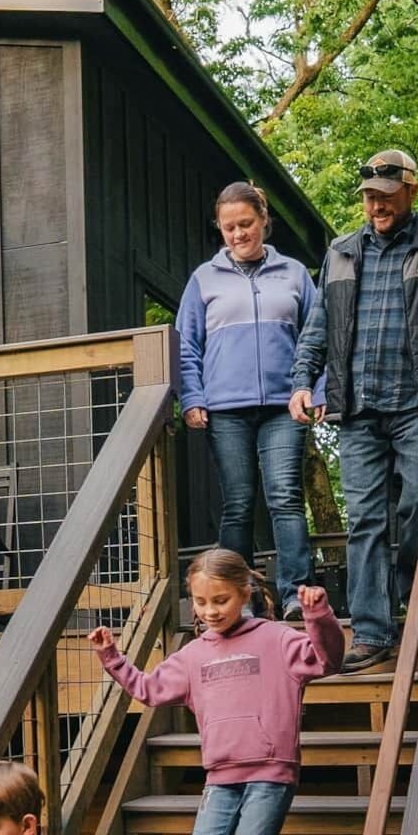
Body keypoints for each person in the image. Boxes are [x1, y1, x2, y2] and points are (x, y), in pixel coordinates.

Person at [85, 548, 343, 835]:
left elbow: (328, 659)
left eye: (220, 600)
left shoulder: (276, 639)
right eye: (200, 602)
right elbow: (149, 690)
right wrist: (112, 656)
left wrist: (317, 615)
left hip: (270, 772)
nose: (209, 611)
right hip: (220, 779)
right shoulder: (193, 655)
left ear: (245, 592)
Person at [288, 147, 418, 670]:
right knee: (365, 518)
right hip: (358, 408)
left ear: (411, 190)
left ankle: (414, 591)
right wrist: (302, 382)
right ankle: (371, 630)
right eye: (368, 197)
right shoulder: (340, 252)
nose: (376, 206)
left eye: (385, 196)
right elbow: (319, 326)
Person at [171, 184, 319, 613]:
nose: (238, 234)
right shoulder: (203, 279)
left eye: (246, 224)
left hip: (285, 406)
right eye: (229, 227)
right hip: (225, 410)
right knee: (237, 503)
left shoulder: (294, 273)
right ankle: (242, 598)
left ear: (264, 220)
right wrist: (192, 397)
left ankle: (295, 595)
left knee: (285, 497)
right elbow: (186, 346)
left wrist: (315, 389)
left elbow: (317, 336)